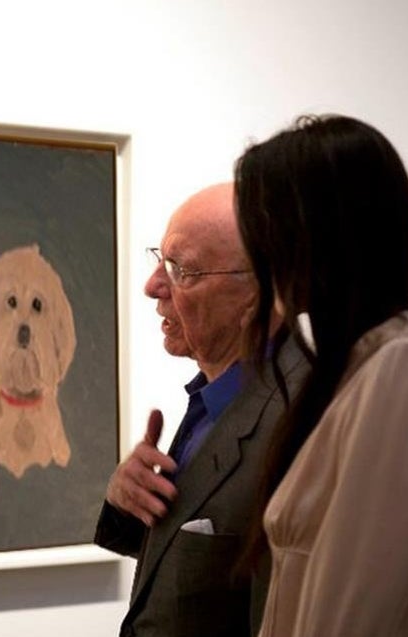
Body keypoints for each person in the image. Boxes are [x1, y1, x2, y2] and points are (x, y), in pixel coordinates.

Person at [234, 114, 408, 636]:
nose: (266, 258)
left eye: (275, 231)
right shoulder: (358, 369)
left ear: (327, 233)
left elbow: (350, 616)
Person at [94, 182, 310, 637]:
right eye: (161, 260)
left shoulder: (299, 420)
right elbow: (192, 575)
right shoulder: (216, 397)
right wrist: (125, 499)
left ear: (254, 292)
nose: (153, 286)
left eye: (182, 270)